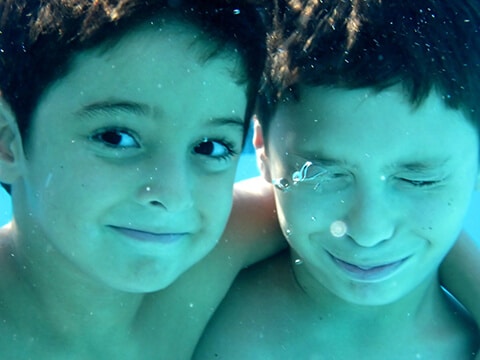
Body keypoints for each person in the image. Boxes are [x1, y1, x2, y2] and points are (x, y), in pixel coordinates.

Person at [195, 0, 480, 358]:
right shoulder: (187, 315)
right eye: (321, 174)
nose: (368, 231)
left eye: (419, 181)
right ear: (262, 150)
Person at [0, 1, 284, 358]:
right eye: (116, 137)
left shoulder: (218, 252)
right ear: (7, 143)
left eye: (210, 147)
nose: (173, 195)